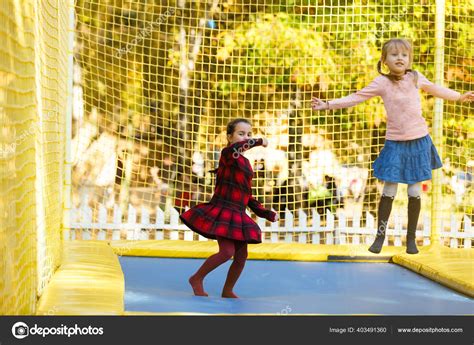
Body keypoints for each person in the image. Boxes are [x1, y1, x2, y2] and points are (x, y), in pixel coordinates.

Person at [312, 38, 474, 254]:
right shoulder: (382, 83)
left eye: (404, 55)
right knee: (389, 189)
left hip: (418, 142)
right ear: (385, 60)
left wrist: (459, 96)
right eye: (395, 55)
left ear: (409, 59)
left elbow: (435, 89)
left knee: (415, 190)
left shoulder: (415, 77)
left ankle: (411, 240)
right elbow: (357, 97)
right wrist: (328, 105)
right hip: (395, 144)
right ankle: (380, 235)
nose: (400, 58)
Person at [180, 118, 278, 297]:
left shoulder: (247, 164)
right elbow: (238, 148)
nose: (245, 137)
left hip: (238, 213)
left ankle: (227, 290)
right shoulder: (228, 153)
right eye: (241, 134)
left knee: (241, 257)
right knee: (226, 252)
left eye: (249, 134)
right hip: (223, 210)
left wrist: (266, 213)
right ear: (229, 137)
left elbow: (247, 194)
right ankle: (196, 278)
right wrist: (258, 140)